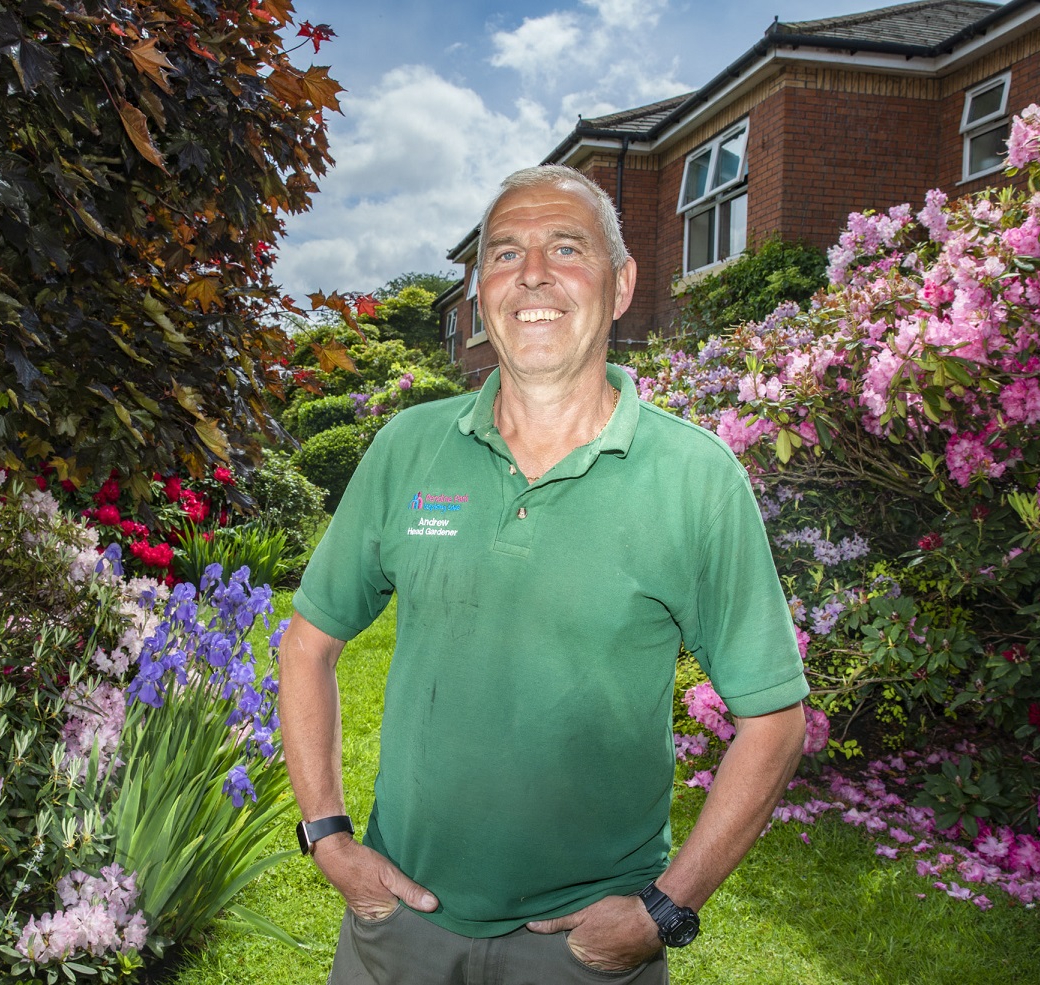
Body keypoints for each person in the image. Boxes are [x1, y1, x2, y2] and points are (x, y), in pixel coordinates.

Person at [277, 164, 810, 984]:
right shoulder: (406, 448)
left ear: (622, 282)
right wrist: (327, 834)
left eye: (567, 247)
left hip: (582, 952)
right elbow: (306, 642)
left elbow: (773, 717)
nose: (532, 273)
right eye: (503, 253)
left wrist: (665, 909)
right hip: (398, 929)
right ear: (479, 294)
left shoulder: (695, 478)